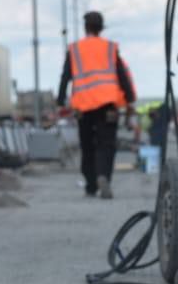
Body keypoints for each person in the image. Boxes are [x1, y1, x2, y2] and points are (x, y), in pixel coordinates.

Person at [58, 11, 136, 199]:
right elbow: (121, 74)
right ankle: (103, 177)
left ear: (86, 28)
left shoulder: (75, 49)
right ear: (101, 28)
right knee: (106, 144)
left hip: (83, 106)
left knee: (87, 145)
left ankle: (91, 185)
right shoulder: (110, 48)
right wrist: (130, 97)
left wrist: (60, 100)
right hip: (108, 104)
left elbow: (66, 75)